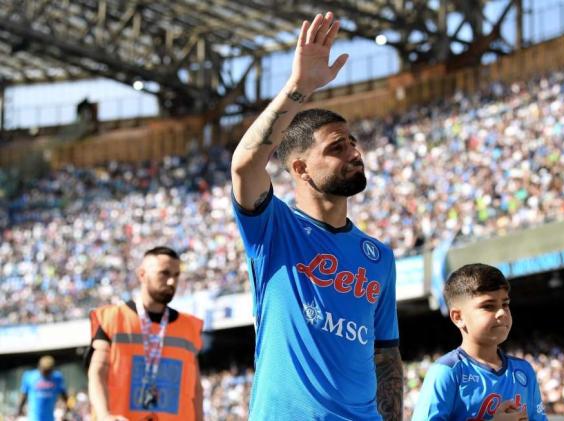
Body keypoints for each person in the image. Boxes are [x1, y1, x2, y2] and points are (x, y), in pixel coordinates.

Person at [230, 11, 403, 420]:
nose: (354, 153)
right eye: (337, 147)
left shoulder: (379, 257)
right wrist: (299, 87)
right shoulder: (273, 228)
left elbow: (386, 356)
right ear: (300, 168)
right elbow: (244, 165)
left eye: (353, 143)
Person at [412, 263, 547, 421]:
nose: (502, 312)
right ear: (458, 317)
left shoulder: (524, 369)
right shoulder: (446, 371)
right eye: (488, 306)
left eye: (505, 304)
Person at [86, 247, 204, 421]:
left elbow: (196, 389)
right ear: (142, 274)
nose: (172, 281)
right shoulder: (112, 319)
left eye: (176, 275)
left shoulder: (188, 327)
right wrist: (105, 416)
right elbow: (97, 373)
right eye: (164, 273)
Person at [16, 355, 69, 421]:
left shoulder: (57, 378)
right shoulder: (29, 376)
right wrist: (19, 409)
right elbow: (23, 395)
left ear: (52, 369)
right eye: (44, 370)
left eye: (48, 371)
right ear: (39, 367)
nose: (46, 373)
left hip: (49, 418)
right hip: (34, 418)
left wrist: (68, 408)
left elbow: (64, 395)